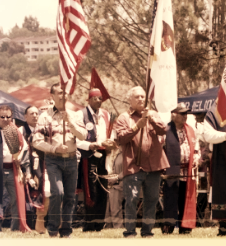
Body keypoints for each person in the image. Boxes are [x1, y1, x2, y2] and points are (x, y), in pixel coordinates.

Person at [32, 83, 87, 238]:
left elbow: (83, 136)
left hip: (71, 159)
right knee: (58, 193)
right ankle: (53, 228)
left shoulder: (75, 115)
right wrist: (54, 148)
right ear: (52, 96)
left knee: (70, 196)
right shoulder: (44, 116)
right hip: (53, 160)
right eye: (59, 93)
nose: (63, 96)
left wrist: (70, 122)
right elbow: (36, 141)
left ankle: (66, 231)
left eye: (65, 93)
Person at [114, 86, 169, 238]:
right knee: (131, 199)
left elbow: (163, 129)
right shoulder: (123, 118)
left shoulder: (153, 114)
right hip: (134, 164)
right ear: (130, 100)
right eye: (137, 97)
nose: (140, 99)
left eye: (142, 97)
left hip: (153, 165)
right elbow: (121, 138)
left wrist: (150, 118)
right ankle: (130, 231)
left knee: (152, 199)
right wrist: (137, 126)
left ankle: (147, 231)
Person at [77, 88, 115, 232]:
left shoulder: (105, 114)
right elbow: (77, 139)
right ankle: (89, 225)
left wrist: (110, 142)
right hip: (89, 155)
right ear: (89, 99)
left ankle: (99, 224)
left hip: (103, 155)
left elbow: (110, 133)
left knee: (102, 189)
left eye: (100, 98)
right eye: (96, 98)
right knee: (90, 190)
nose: (99, 101)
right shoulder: (81, 115)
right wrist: (89, 145)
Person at [201, 109, 226, 236]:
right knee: (223, 191)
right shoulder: (214, 114)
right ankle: (224, 226)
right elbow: (208, 135)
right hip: (222, 158)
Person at [161, 103, 200, 234]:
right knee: (171, 198)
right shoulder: (165, 130)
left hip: (187, 170)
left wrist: (196, 157)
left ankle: (186, 227)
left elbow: (196, 148)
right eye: (182, 114)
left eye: (186, 114)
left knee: (186, 197)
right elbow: (160, 150)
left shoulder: (190, 129)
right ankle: (168, 226)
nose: (185, 116)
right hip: (171, 170)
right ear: (174, 115)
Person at [18, 106, 47, 234]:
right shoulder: (20, 131)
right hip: (24, 167)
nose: (35, 116)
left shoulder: (43, 131)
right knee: (26, 195)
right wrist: (26, 172)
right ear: (25, 116)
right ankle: (27, 224)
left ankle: (40, 224)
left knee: (42, 194)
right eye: (31, 113)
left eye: (37, 113)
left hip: (41, 167)